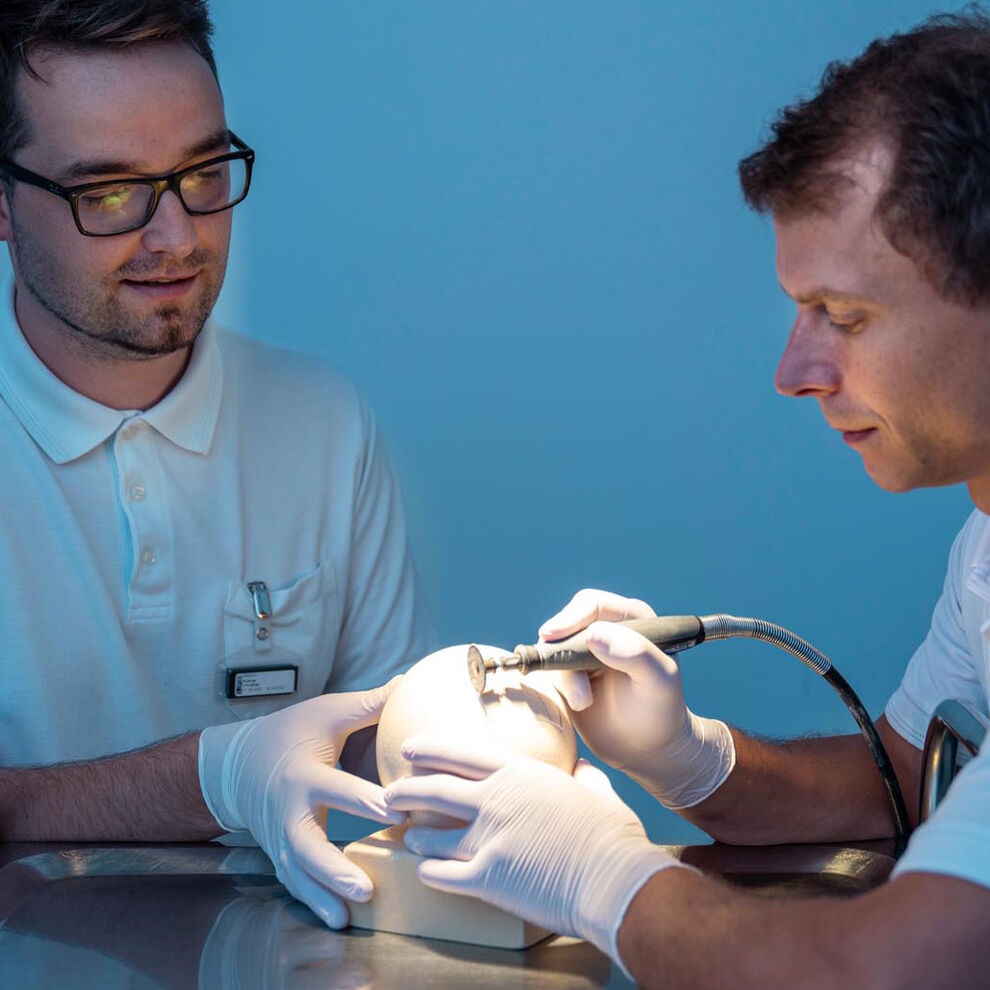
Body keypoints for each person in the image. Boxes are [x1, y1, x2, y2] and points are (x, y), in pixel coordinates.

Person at [384, 10, 990, 986]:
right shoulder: (985, 546)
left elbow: (886, 972)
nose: (794, 371)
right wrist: (691, 758)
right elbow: (909, 787)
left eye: (843, 316)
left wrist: (604, 877)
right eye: (800, 312)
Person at [0, 0, 434, 929]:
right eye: (107, 192)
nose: (177, 237)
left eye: (201, 171)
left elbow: (381, 758)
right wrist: (211, 775)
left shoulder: (323, 421)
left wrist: (480, 731)